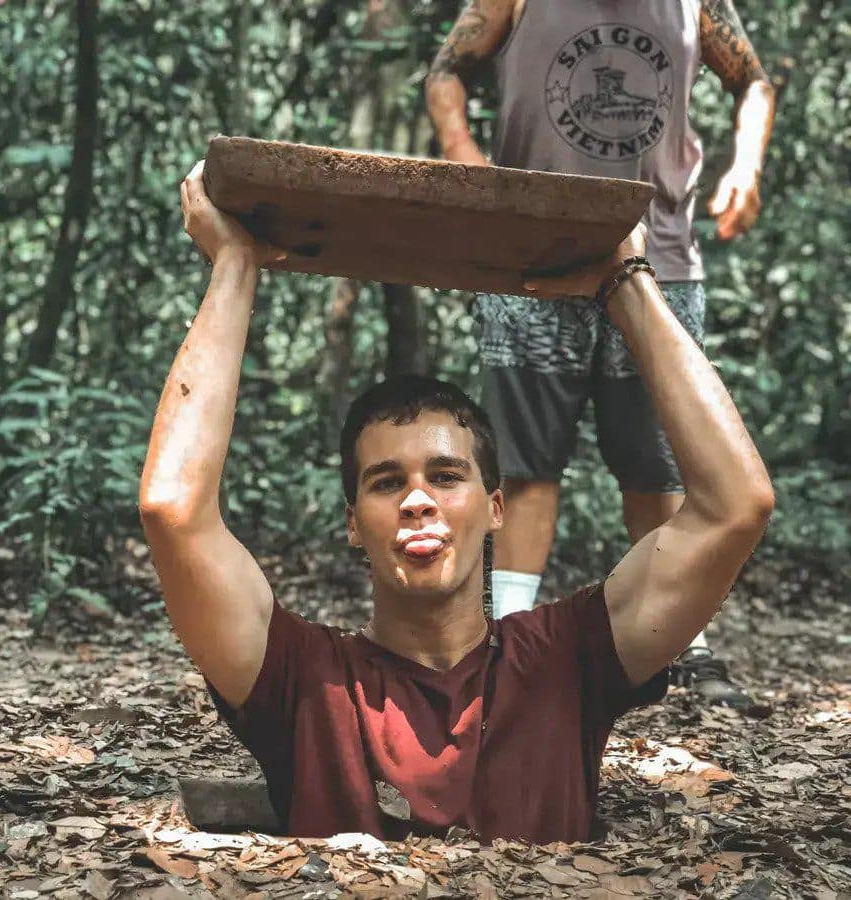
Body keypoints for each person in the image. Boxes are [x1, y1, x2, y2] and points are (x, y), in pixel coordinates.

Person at [138, 163, 773, 842]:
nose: (417, 499)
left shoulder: (567, 659)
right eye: (386, 482)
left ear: (496, 506)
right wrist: (234, 265)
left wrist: (627, 284)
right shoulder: (303, 677)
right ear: (354, 523)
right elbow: (174, 511)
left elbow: (736, 505)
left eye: (446, 476)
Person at [424, 0, 776, 709]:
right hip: (530, 260)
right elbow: (446, 71)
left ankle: (683, 650)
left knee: (657, 466)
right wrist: (467, 163)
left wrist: (747, 166)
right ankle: (509, 644)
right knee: (525, 469)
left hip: (661, 265)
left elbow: (755, 83)